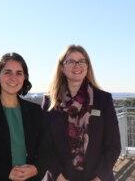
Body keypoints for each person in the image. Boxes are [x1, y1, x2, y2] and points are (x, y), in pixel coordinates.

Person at [40, 45, 121, 181]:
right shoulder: (50, 101)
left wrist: (99, 178)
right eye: (70, 61)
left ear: (87, 66)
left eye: (81, 61)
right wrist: (58, 176)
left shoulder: (103, 99)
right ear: (62, 68)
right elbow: (43, 144)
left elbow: (113, 145)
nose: (76, 66)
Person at [0, 52, 45, 181]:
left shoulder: (35, 111)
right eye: (7, 72)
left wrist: (36, 168)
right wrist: (6, 172)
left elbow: (46, 149)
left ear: (24, 77)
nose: (13, 78)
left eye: (19, 73)